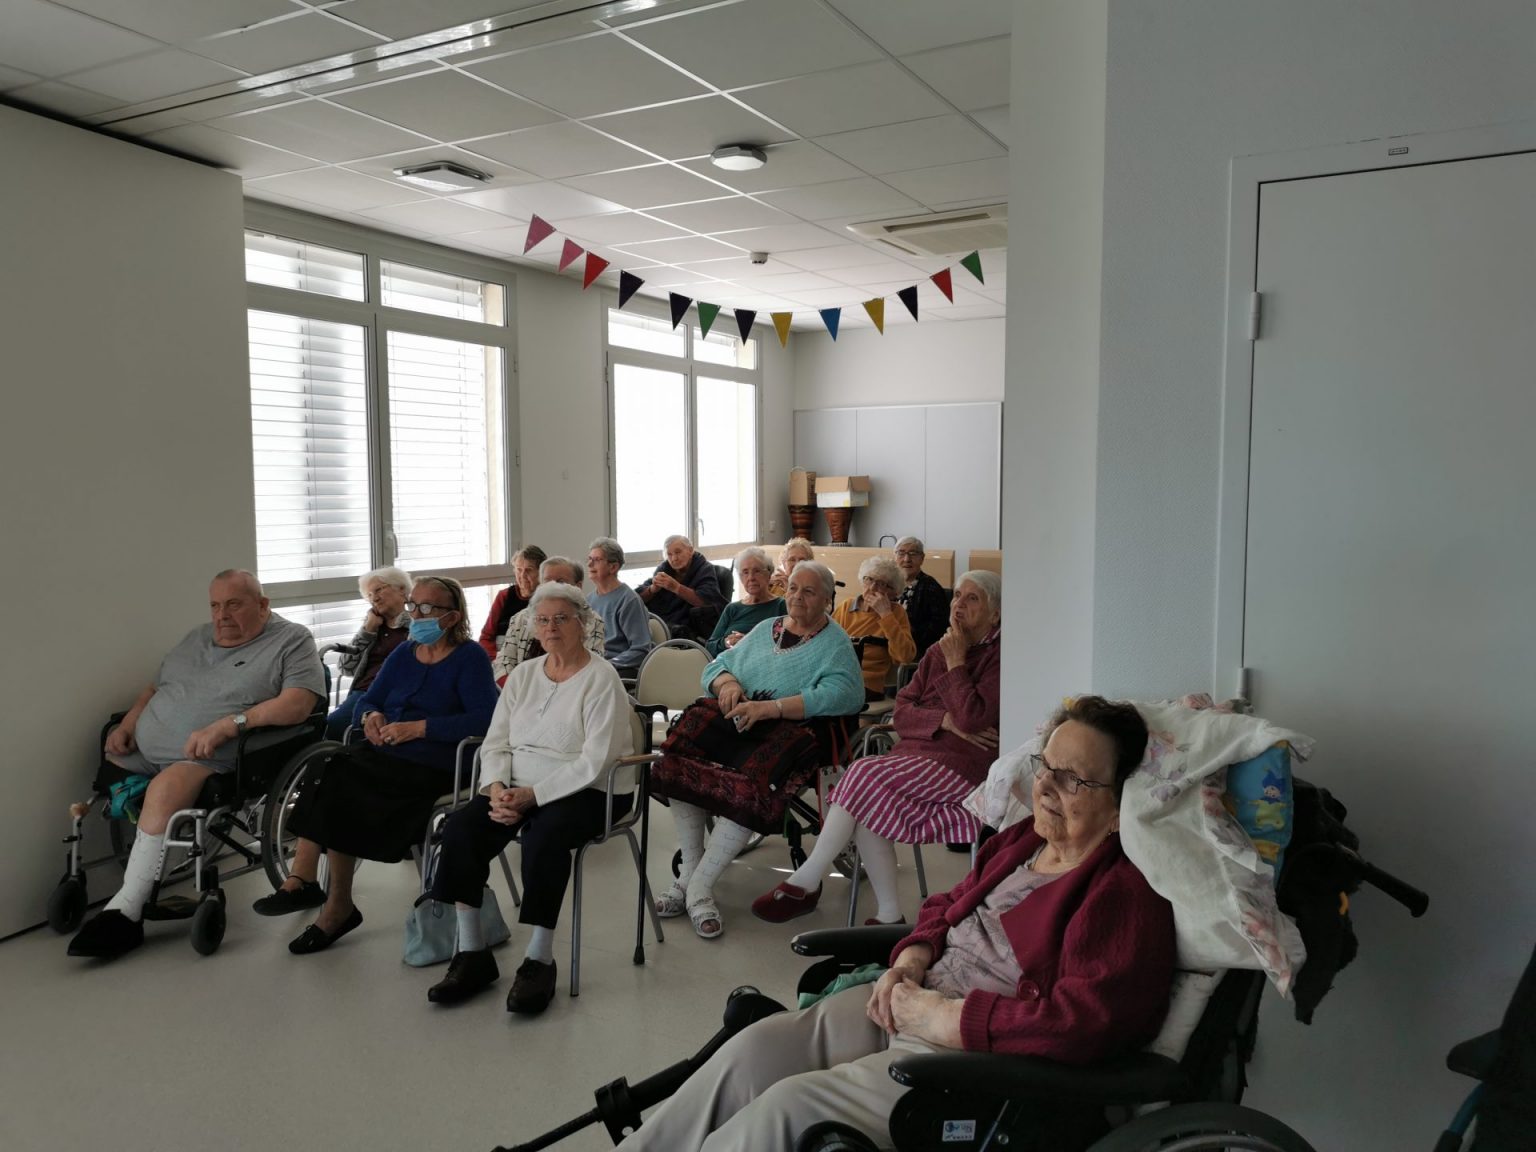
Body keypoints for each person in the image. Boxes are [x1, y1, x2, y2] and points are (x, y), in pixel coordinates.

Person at [616, 696, 1175, 1152]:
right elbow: (946, 904)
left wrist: (948, 1018)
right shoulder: (1022, 840)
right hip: (907, 999)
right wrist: (911, 959)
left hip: (970, 1062)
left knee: (789, 1109)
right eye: (1046, 767)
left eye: (1075, 780)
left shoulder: (1121, 896)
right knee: (752, 1052)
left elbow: (1083, 1025)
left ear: (1119, 804)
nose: (1047, 786)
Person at [67, 570, 326, 960]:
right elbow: (155, 688)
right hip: (149, 750)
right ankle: (150, 850)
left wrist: (229, 725)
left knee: (168, 787)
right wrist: (129, 724)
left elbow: (298, 704)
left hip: (215, 755)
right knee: (111, 762)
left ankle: (126, 910)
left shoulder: (291, 640)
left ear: (262, 604)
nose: (222, 615)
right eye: (215, 605)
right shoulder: (196, 637)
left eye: (233, 604)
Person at [422, 583, 634, 1014]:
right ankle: (472, 953)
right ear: (533, 628)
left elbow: (596, 760)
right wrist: (497, 788)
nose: (551, 627)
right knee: (461, 828)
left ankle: (539, 960)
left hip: (592, 790)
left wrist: (534, 796)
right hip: (516, 786)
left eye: (561, 618)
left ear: (582, 623)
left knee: (545, 836)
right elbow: (495, 742)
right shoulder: (522, 675)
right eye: (542, 620)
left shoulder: (601, 678)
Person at [755, 571, 1002, 925]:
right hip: (914, 757)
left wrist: (956, 665)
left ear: (995, 614)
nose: (959, 604)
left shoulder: (997, 656)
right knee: (868, 798)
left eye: (972, 598)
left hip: (964, 768)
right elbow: (901, 712)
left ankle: (807, 879)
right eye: (958, 595)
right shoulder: (939, 649)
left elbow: (972, 717)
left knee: (863, 774)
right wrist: (944, 721)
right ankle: (889, 916)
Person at [269, 576, 498, 948]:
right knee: (328, 767)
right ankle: (316, 887)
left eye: (428, 608)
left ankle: (329, 901)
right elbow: (368, 698)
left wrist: (420, 728)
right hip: (387, 753)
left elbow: (485, 719)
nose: (417, 614)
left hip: (440, 763)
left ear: (452, 617)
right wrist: (370, 717)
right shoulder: (405, 653)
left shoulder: (469, 657)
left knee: (343, 781)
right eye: (413, 606)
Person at [651, 561, 864, 940]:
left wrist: (772, 708)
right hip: (740, 715)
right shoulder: (768, 628)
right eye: (793, 588)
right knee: (680, 748)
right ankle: (690, 871)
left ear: (827, 600)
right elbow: (717, 665)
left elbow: (846, 694)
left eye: (809, 591)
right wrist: (728, 683)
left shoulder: (835, 643)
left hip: (790, 730)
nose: (797, 596)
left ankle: (698, 888)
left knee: (750, 783)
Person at [327, 566, 413, 740]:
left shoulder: (416, 623)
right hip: (364, 693)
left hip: (393, 694)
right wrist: (368, 629)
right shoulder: (373, 625)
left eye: (379, 590)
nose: (374, 598)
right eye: (369, 595)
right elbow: (346, 668)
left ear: (401, 589)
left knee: (336, 725)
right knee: (331, 725)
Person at [491, 556, 604, 686]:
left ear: (578, 586)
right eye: (547, 582)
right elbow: (503, 664)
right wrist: (519, 691)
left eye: (560, 582)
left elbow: (590, 668)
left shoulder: (590, 621)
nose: (552, 587)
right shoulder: (520, 618)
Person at [832, 556, 917, 701]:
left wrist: (885, 615)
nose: (872, 588)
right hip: (836, 678)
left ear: (893, 592)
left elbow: (905, 656)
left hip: (867, 685)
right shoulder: (846, 607)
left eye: (881, 584)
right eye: (869, 579)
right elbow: (826, 644)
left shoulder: (895, 613)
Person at [586, 537, 654, 676]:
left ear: (613, 567)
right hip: (594, 666)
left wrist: (606, 665)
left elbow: (641, 649)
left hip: (618, 670)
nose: (589, 564)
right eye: (589, 559)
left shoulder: (629, 600)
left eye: (596, 560)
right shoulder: (589, 600)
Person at [638, 534, 725, 639]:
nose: (674, 558)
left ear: (690, 551)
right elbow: (638, 597)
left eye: (678, 552)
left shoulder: (704, 569)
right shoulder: (665, 569)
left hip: (689, 628)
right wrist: (652, 589)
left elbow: (706, 601)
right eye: (669, 554)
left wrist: (677, 588)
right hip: (662, 622)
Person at [703, 546, 784, 657]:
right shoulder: (732, 609)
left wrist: (749, 642)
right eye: (745, 572)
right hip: (729, 663)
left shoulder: (781, 606)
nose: (751, 578)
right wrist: (726, 642)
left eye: (757, 571)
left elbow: (788, 646)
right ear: (740, 577)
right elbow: (709, 647)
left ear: (769, 574)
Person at [477, 546, 547, 662]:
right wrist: (498, 659)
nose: (522, 575)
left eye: (529, 570)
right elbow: (486, 636)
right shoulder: (504, 596)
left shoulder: (547, 598)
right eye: (519, 570)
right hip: (499, 658)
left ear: (541, 573)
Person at [894, 536, 948, 659]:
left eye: (913, 554)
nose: (907, 559)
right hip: (889, 646)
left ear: (922, 558)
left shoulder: (931, 587)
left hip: (917, 651)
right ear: (895, 557)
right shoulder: (888, 584)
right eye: (901, 553)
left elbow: (938, 627)